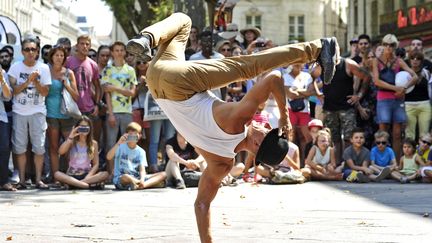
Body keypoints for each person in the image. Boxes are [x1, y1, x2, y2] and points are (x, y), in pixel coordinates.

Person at [125, 12, 338, 242]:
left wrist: (284, 117)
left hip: (179, 84)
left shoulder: (239, 121)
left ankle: (318, 47)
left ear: (257, 143)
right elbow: (202, 204)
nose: (263, 124)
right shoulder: (221, 164)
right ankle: (146, 40)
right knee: (184, 24)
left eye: (266, 129)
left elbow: (274, 78)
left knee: (247, 66)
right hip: (157, 82)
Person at [8, 37, 51, 190]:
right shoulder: (15, 67)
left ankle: (38, 180)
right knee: (19, 147)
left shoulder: (44, 68)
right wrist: (28, 82)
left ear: (37, 51)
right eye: (27, 49)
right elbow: (13, 92)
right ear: (22, 51)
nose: (30, 52)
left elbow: (45, 92)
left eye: (33, 49)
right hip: (19, 112)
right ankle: (22, 180)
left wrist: (36, 81)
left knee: (39, 147)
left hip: (38, 112)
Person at [372, 34, 418, 159]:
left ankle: (397, 163)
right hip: (383, 98)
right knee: (383, 133)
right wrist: (396, 88)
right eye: (386, 44)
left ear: (395, 46)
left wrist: (404, 88)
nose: (388, 47)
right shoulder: (376, 61)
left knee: (397, 134)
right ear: (383, 44)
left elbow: (415, 76)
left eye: (391, 45)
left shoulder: (399, 61)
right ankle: (382, 162)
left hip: (398, 99)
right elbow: (376, 81)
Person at [101, 41, 137, 175]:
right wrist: (110, 114)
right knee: (111, 144)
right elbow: (107, 93)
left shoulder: (130, 70)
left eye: (122, 50)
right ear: (112, 52)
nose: (119, 53)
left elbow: (132, 92)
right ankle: (111, 173)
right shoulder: (107, 70)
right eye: (117, 50)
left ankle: (128, 171)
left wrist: (115, 88)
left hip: (127, 111)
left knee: (129, 142)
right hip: (113, 112)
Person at [46, 45, 79, 184]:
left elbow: (76, 96)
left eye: (61, 55)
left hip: (67, 114)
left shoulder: (69, 73)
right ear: (51, 57)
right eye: (56, 55)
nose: (59, 57)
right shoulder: (46, 71)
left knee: (69, 146)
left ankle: (69, 176)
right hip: (51, 113)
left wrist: (67, 85)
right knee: (53, 147)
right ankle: (56, 177)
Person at [107, 122, 166, 190]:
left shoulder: (141, 151)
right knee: (125, 177)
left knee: (163, 174)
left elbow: (142, 169)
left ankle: (141, 185)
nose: (132, 136)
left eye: (135, 134)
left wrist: (142, 179)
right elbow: (108, 157)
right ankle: (145, 184)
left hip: (136, 177)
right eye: (130, 134)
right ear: (126, 135)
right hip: (121, 179)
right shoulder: (120, 147)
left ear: (140, 136)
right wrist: (118, 143)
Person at [55, 116, 109, 189]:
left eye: (86, 127)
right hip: (72, 175)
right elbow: (60, 152)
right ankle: (86, 185)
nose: (84, 129)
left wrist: (88, 176)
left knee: (105, 174)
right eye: (82, 127)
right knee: (57, 174)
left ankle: (76, 184)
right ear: (77, 128)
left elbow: (96, 164)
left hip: (86, 175)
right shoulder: (72, 142)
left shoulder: (93, 143)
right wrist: (71, 136)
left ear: (90, 128)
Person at [404, 50, 431, 140]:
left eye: (418, 58)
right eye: (412, 58)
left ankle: (423, 154)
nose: (415, 60)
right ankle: (409, 154)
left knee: (424, 135)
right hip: (408, 105)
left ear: (421, 61)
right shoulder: (404, 73)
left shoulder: (427, 73)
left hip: (425, 105)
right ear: (409, 60)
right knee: (409, 135)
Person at [0, 66, 15, 191]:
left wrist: (1, 79)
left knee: (4, 148)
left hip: (1, 116)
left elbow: (7, 96)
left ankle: (3, 181)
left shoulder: (2, 72)